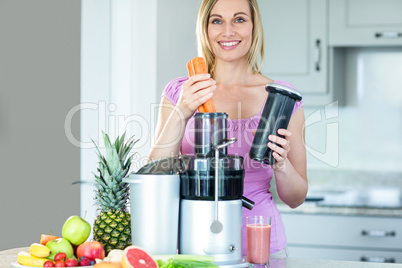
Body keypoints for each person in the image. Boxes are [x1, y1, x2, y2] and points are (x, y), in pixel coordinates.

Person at [147, 0, 308, 258]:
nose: (228, 31)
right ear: (205, 28)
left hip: (261, 247)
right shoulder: (181, 92)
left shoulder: (281, 99)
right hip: (193, 247)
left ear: (254, 27)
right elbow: (154, 176)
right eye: (217, 20)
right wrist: (183, 111)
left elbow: (296, 197)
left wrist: (281, 164)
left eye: (240, 19)